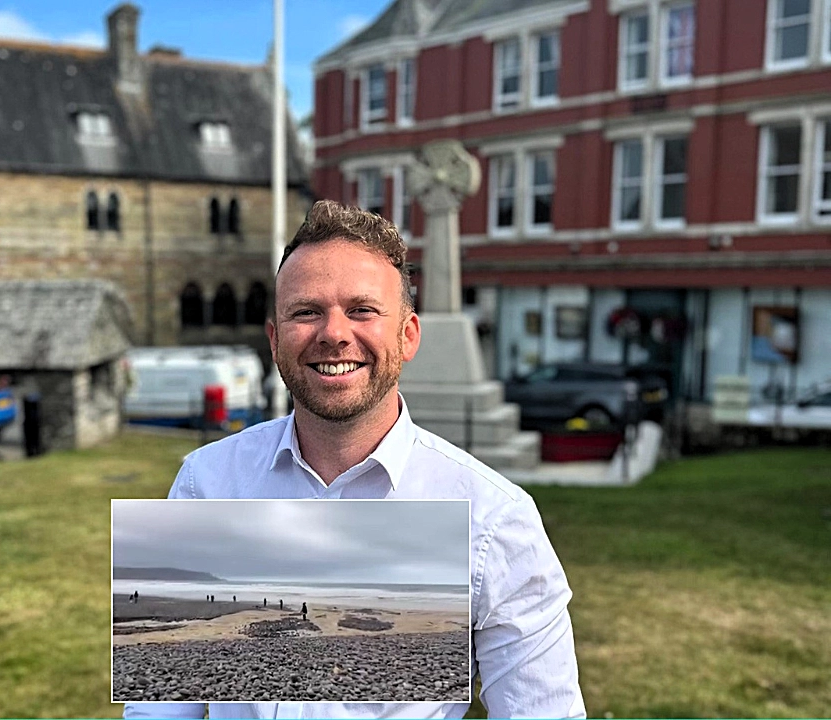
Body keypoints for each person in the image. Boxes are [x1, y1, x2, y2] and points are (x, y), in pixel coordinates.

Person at [124, 200, 585, 720]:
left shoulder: (494, 519)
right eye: (306, 311)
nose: (334, 333)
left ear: (407, 336)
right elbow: (158, 713)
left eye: (362, 310)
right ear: (274, 340)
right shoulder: (205, 484)